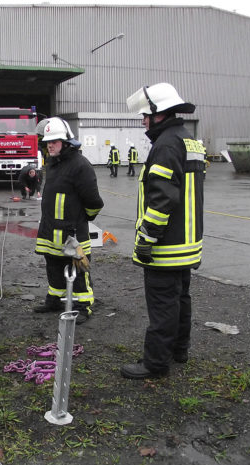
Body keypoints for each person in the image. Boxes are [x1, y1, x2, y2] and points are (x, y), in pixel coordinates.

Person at [119, 82, 205, 379]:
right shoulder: (188, 140)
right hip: (186, 243)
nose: (143, 120)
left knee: (163, 306)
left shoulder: (166, 144)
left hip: (165, 246)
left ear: (160, 113)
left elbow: (162, 198)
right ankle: (179, 350)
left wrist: (147, 237)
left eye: (145, 115)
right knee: (181, 300)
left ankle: (155, 363)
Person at [34, 117, 104, 324]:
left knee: (79, 271)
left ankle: (84, 307)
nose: (50, 145)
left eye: (54, 141)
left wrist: (81, 219)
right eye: (47, 142)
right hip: (50, 231)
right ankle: (54, 300)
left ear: (66, 142)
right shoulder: (53, 163)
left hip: (72, 233)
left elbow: (94, 203)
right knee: (53, 267)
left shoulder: (80, 165)